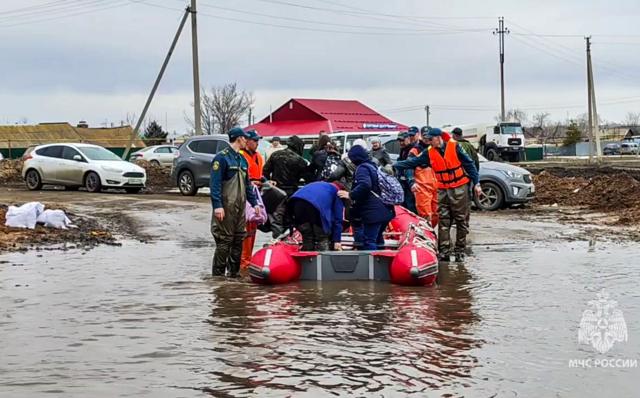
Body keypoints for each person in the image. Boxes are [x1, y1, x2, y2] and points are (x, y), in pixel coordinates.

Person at [394, 128, 481, 263]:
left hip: (460, 187)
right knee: (443, 220)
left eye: (430, 139)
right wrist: (396, 164)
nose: (428, 142)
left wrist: (477, 183)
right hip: (443, 189)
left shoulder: (455, 147)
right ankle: (444, 252)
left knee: (461, 220)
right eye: (427, 139)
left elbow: (470, 165)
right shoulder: (429, 152)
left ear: (438, 138)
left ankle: (459, 251)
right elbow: (412, 162)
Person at [210, 127, 260, 277]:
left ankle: (234, 274)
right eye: (245, 138)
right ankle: (218, 277)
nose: (247, 140)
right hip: (226, 207)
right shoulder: (221, 158)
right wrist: (217, 206)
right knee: (224, 241)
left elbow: (247, 185)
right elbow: (215, 184)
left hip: (240, 208)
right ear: (238, 139)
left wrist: (255, 203)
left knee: (239, 238)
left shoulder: (242, 160)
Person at [338, 144, 394, 250]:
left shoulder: (362, 168)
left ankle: (371, 265)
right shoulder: (373, 166)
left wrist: (350, 194)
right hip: (385, 209)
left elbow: (365, 185)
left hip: (373, 212)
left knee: (369, 241)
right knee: (378, 238)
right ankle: (382, 264)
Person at [263, 135, 308, 237]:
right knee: (290, 218)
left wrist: (269, 182)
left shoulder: (275, 155)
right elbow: (308, 178)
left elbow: (265, 171)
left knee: (276, 219)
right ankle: (288, 239)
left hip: (276, 191)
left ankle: (277, 240)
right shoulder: (300, 161)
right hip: (292, 192)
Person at [288, 181, 345, 251]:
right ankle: (323, 260)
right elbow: (338, 219)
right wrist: (337, 240)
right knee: (322, 238)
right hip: (316, 208)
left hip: (296, 202)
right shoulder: (337, 192)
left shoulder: (319, 184)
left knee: (307, 237)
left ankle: (306, 260)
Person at [239, 130, 266, 272]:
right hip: (244, 197)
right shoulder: (241, 156)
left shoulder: (258, 157)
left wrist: (266, 181)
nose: (257, 143)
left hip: (256, 197)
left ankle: (247, 261)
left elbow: (261, 175)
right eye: (254, 141)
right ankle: (243, 263)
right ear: (247, 141)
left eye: (257, 141)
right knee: (245, 230)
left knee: (252, 229)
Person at [409, 126, 439, 226]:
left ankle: (431, 233)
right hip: (422, 187)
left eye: (429, 136)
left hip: (437, 186)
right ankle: (426, 237)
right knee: (425, 215)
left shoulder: (436, 149)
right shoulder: (415, 150)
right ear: (421, 136)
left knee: (437, 214)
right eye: (425, 136)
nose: (427, 139)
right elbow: (408, 167)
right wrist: (411, 182)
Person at [396, 132, 417, 213]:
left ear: (408, 139)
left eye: (403, 140)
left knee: (411, 205)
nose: (401, 143)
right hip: (402, 181)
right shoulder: (403, 150)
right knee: (403, 204)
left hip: (410, 181)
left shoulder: (413, 150)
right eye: (399, 141)